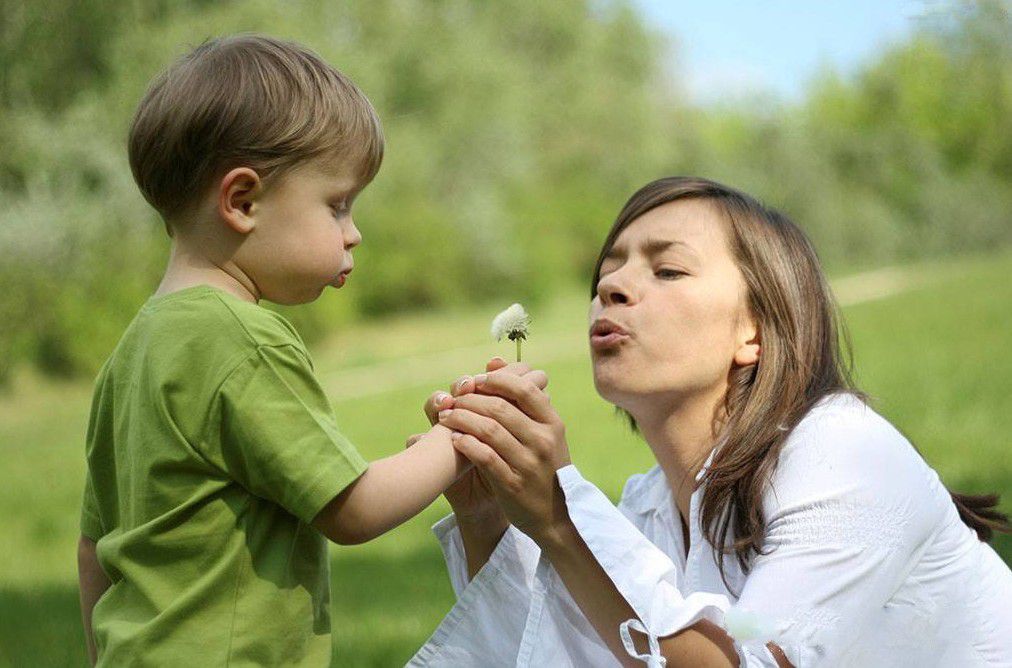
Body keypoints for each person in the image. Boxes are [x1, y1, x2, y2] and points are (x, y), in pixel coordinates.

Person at [76, 34, 545, 666]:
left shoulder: (134, 351)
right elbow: (352, 508)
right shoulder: (243, 338)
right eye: (337, 205)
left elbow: (93, 547)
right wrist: (463, 435)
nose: (354, 235)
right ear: (243, 201)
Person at [410, 177, 1012, 667]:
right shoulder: (650, 503)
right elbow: (585, 656)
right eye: (607, 273)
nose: (612, 286)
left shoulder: (844, 454)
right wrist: (487, 517)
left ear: (753, 330)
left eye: (667, 271)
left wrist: (562, 518)